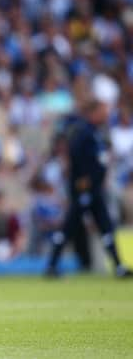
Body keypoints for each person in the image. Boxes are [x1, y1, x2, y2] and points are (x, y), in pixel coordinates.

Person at [45, 99, 132, 278]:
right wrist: (83, 188)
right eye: (102, 110)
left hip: (94, 190)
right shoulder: (83, 133)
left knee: (106, 227)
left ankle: (118, 265)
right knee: (69, 228)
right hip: (84, 191)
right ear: (93, 112)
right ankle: (51, 265)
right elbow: (77, 161)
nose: (106, 114)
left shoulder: (95, 133)